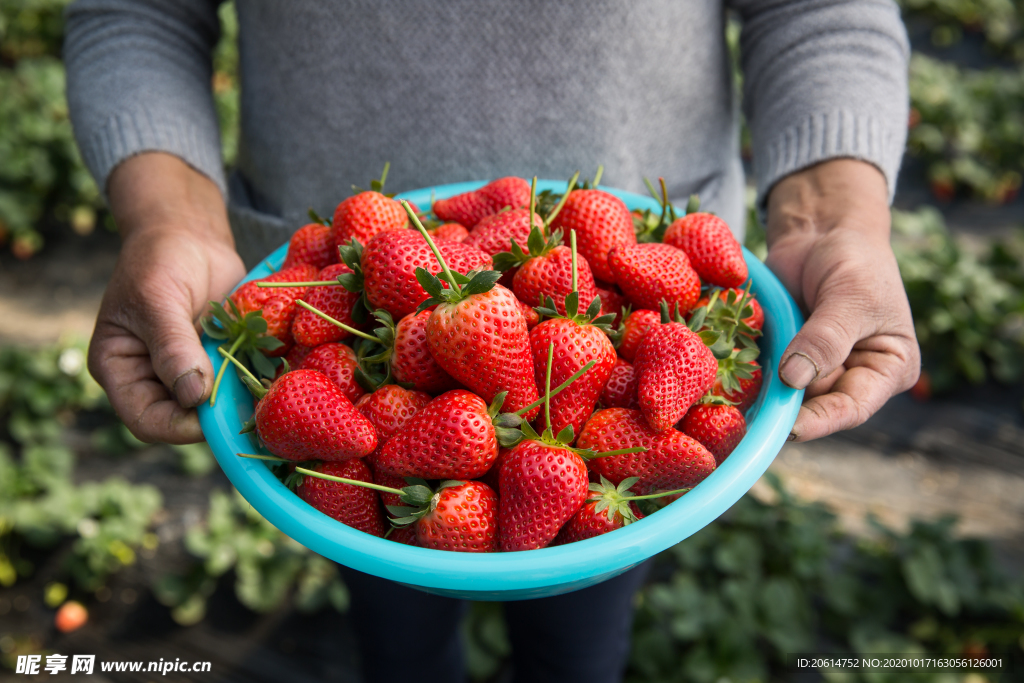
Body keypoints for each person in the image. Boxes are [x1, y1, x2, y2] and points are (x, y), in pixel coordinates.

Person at [64, 1, 921, 681]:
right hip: (320, 283)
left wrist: (833, 218)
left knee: (581, 625)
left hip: (630, 270)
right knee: (395, 619)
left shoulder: (610, 340)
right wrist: (171, 218)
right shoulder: (375, 394)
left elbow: (821, 8)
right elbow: (133, 9)